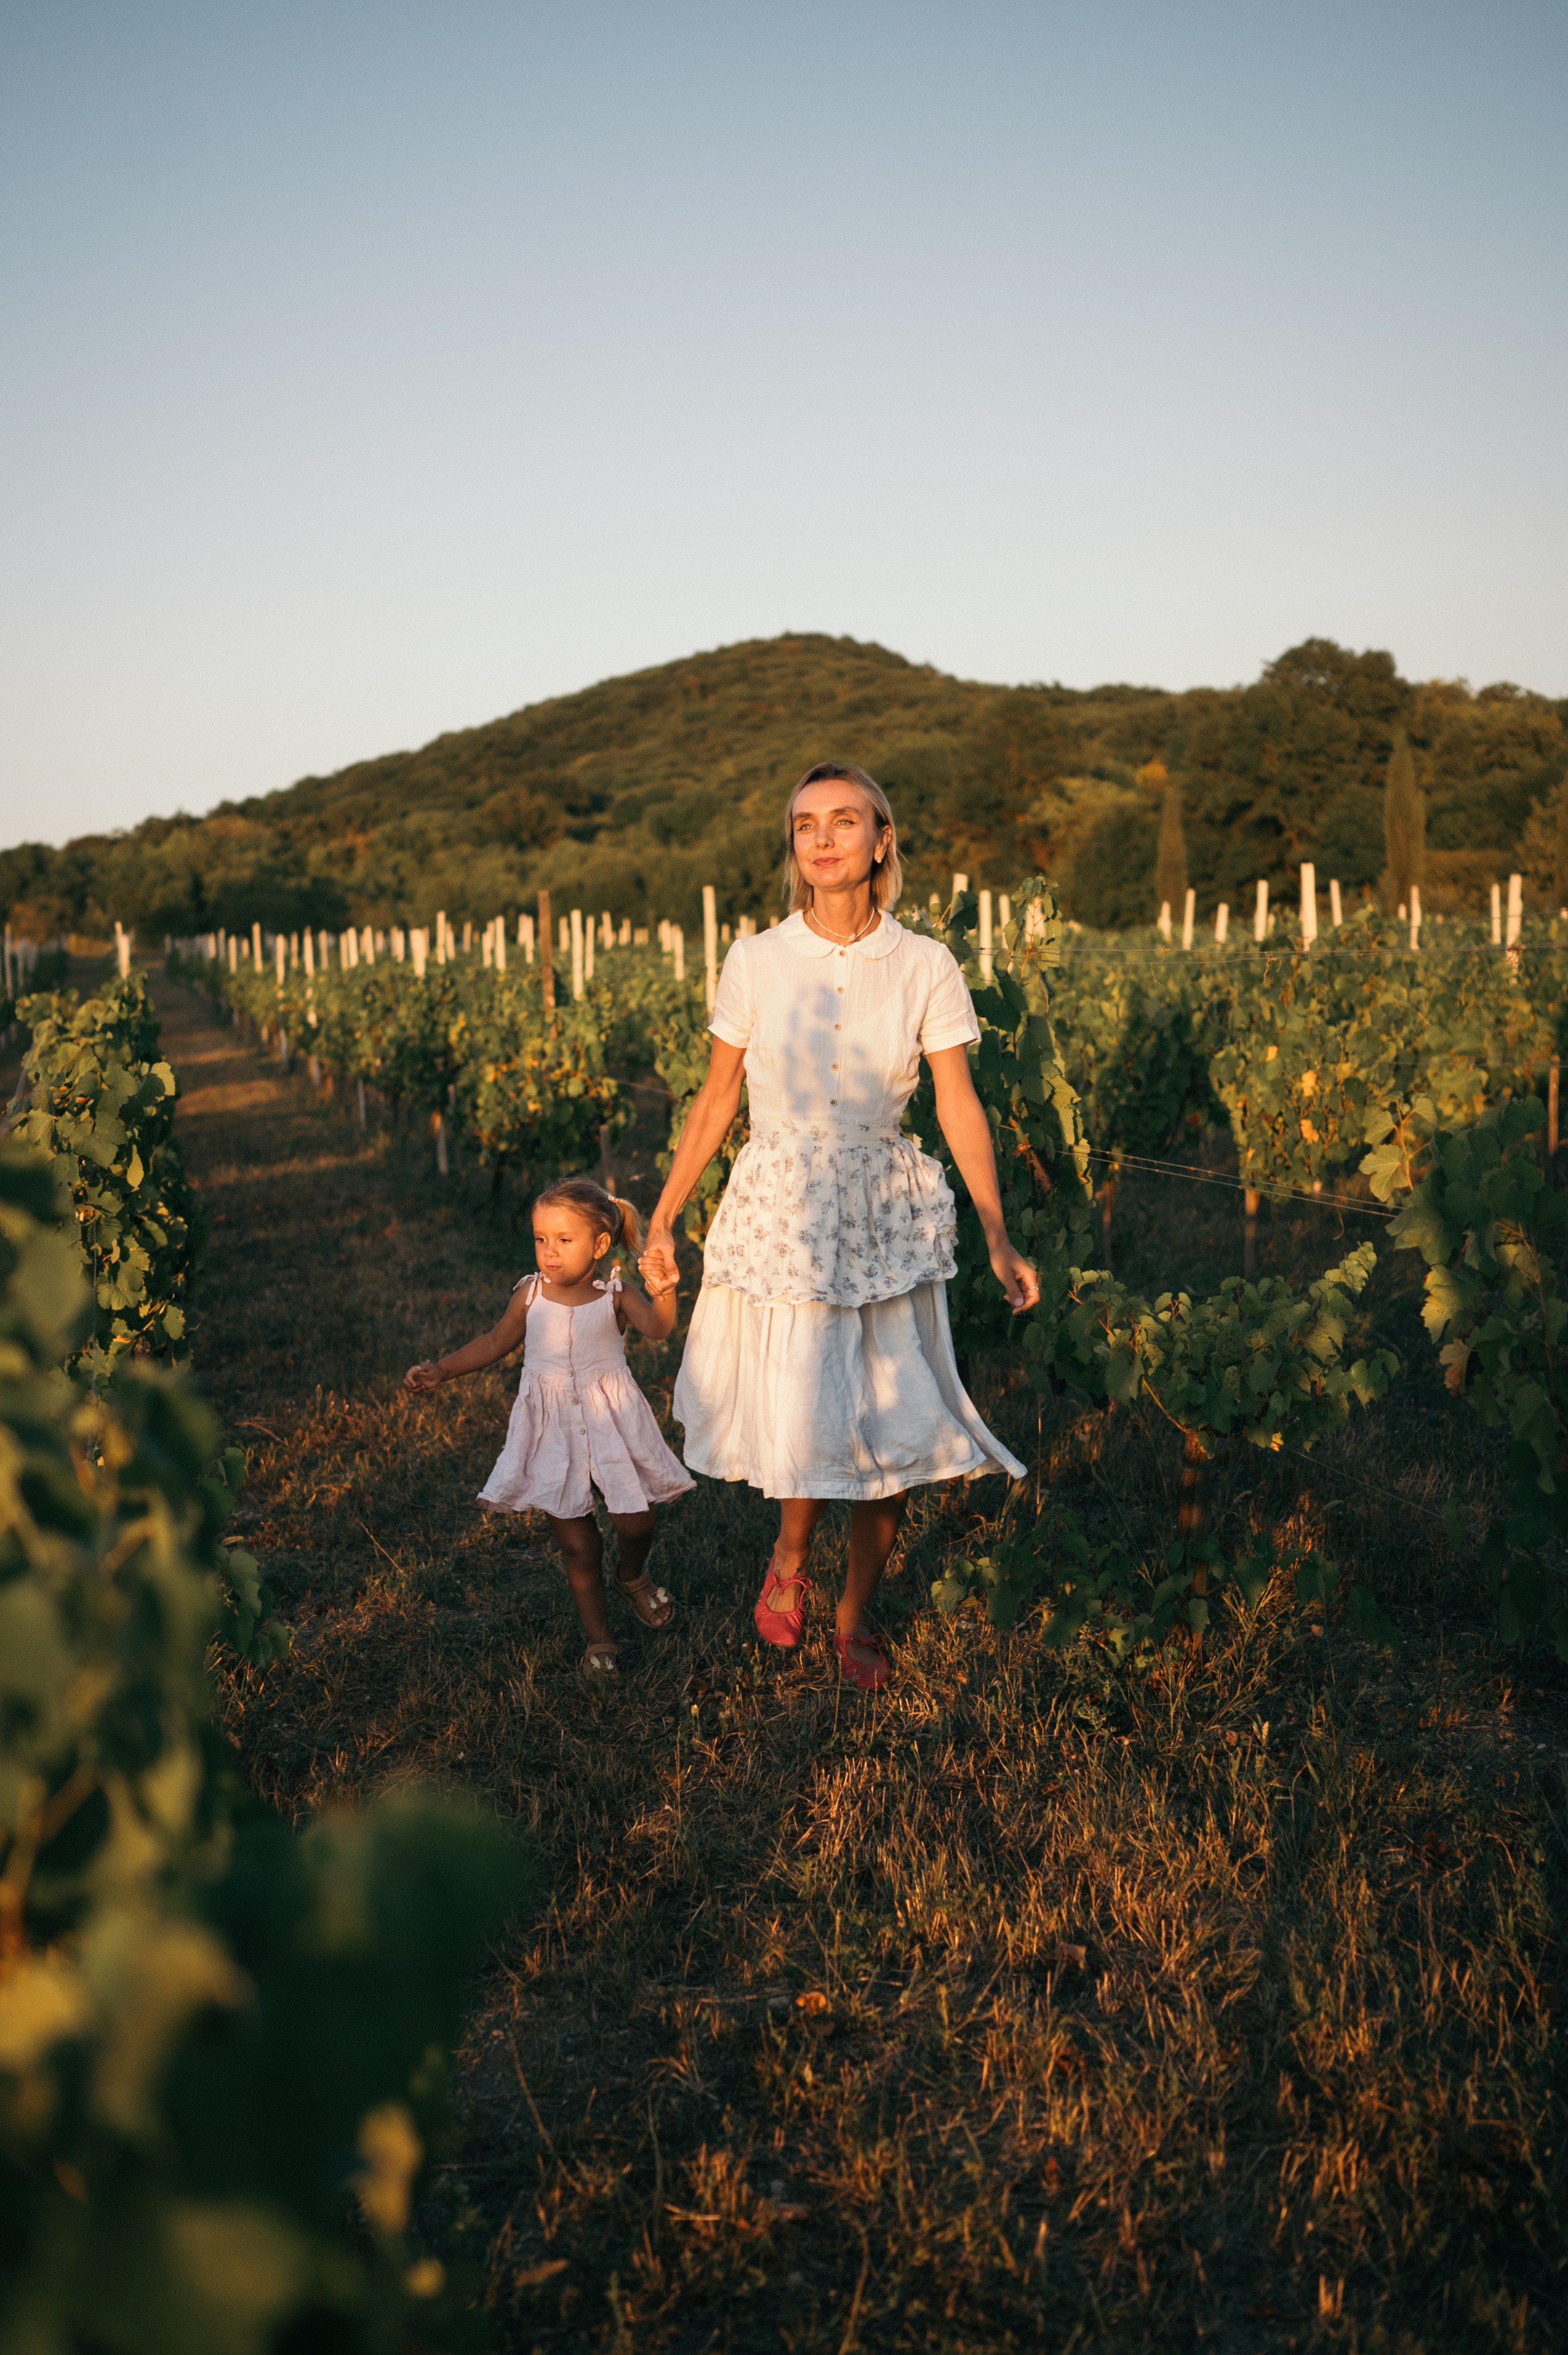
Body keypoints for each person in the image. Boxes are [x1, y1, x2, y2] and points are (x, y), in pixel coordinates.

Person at [638, 762, 1038, 1691]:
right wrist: (663, 1213)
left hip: (884, 1208)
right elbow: (715, 1098)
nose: (821, 838)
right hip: (783, 1205)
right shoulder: (755, 958)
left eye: (844, 821)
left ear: (880, 840)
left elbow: (957, 1103)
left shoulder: (925, 963)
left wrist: (995, 1231)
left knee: (888, 1422)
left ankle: (854, 1617)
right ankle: (788, 1556)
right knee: (804, 1407)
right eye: (805, 823)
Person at [405, 1177, 691, 1676]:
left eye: (564, 1240)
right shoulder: (530, 1295)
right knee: (579, 1545)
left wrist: (664, 1292)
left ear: (600, 1245)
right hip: (552, 1430)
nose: (549, 1252)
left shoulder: (616, 1297)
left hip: (613, 1425)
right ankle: (600, 1639)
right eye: (541, 1239)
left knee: (637, 1520)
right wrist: (443, 1369)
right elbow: (495, 1342)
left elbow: (660, 1327)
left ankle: (632, 1575)